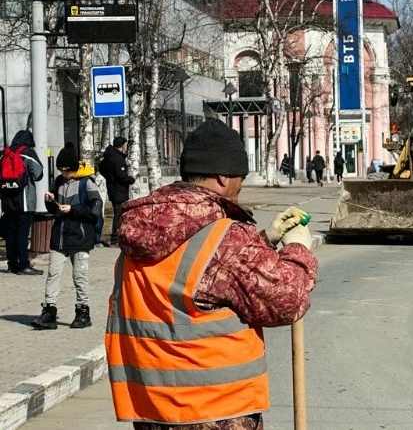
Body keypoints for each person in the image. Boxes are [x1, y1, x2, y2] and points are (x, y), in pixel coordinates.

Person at [105, 119, 318, 429]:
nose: (241, 186)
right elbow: (287, 301)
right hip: (216, 413)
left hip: (152, 412)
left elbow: (200, 279)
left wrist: (264, 240)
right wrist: (298, 250)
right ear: (222, 177)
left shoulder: (139, 234)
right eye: (240, 177)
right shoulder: (226, 240)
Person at [31, 147, 102, 330]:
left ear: (74, 167)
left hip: (80, 237)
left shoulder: (87, 183)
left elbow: (95, 211)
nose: (63, 173)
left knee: (79, 276)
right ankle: (49, 312)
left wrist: (72, 209)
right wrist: (50, 201)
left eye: (66, 169)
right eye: (61, 169)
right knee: (53, 274)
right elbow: (54, 210)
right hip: (60, 236)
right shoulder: (60, 182)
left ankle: (83, 312)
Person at [1, 130, 44, 275]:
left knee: (10, 232)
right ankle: (24, 265)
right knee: (22, 233)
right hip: (24, 200)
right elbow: (38, 174)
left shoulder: (3, 153)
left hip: (7, 200)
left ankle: (12, 264)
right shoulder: (27, 153)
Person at [98, 137, 135, 246]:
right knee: (120, 214)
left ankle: (117, 237)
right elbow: (121, 176)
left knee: (118, 212)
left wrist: (110, 178)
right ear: (121, 146)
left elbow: (101, 168)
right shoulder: (118, 159)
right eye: (124, 145)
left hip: (113, 189)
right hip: (120, 190)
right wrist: (131, 179)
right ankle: (116, 238)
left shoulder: (108, 157)